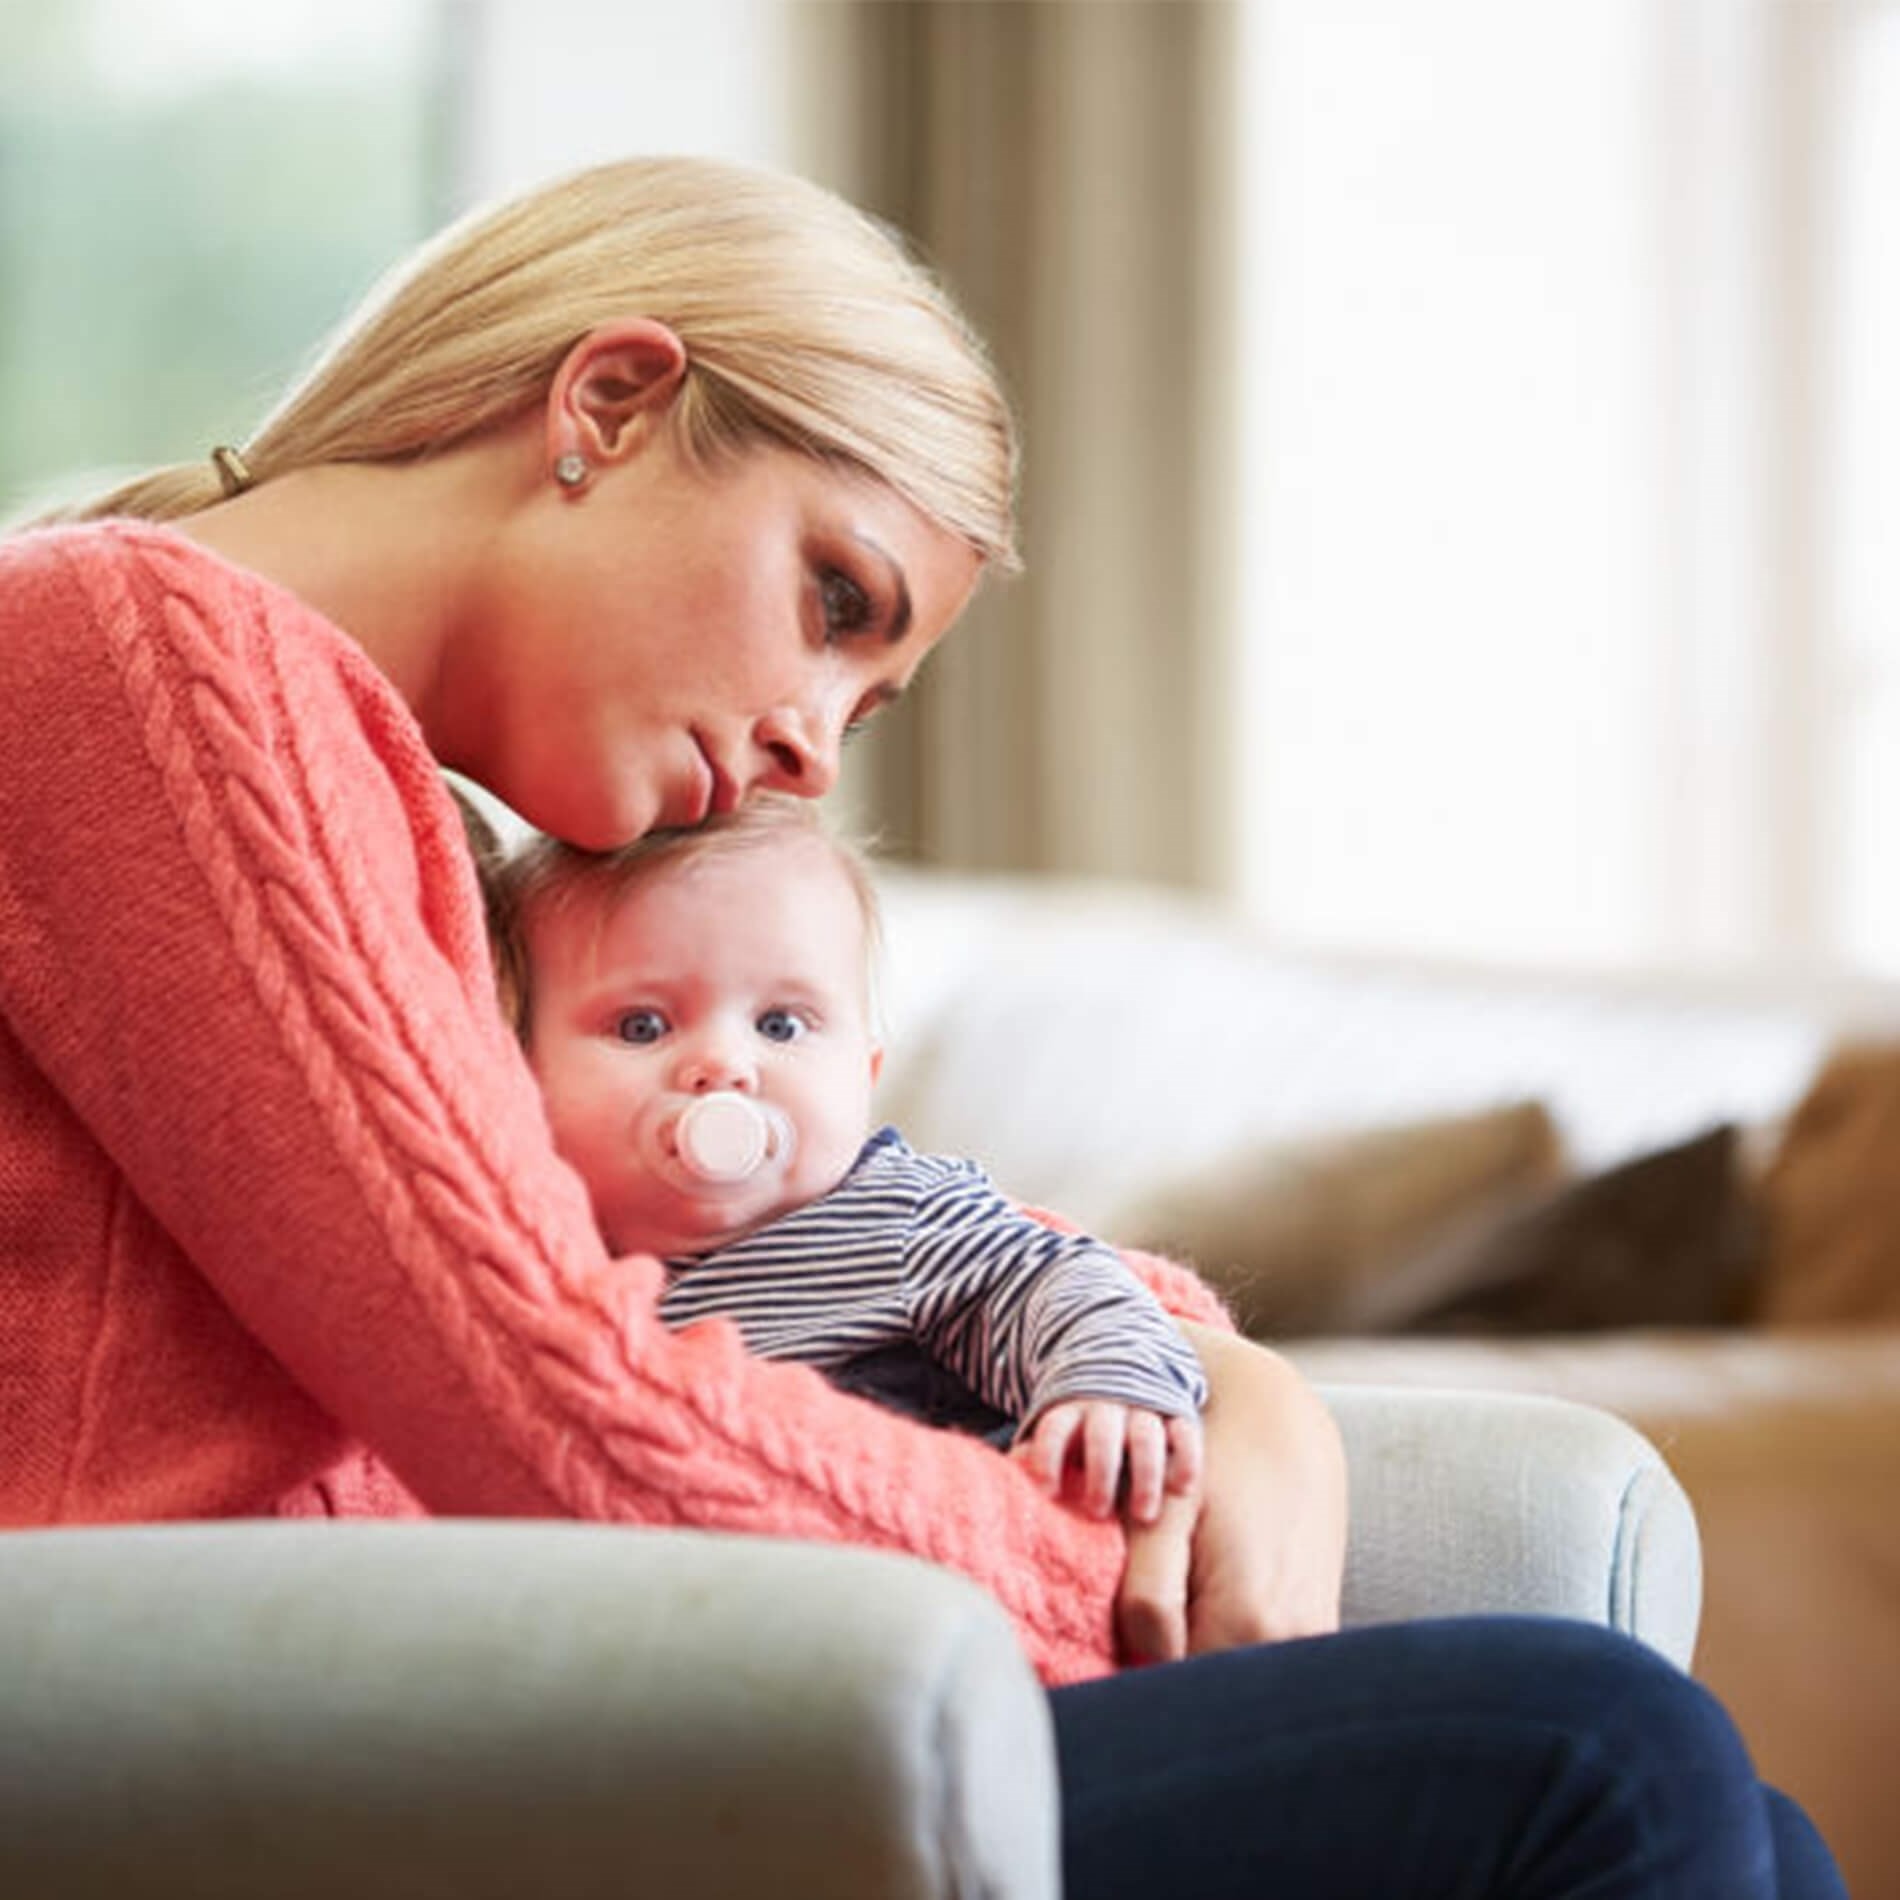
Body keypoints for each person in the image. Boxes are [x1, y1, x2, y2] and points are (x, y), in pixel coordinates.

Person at [0, 153, 1842, 1897]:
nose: (813, 741)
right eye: (834, 599)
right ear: (613, 403)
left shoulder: (388, 810)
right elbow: (561, 1410)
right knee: (1598, 1757)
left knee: (1733, 1817)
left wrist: (1211, 1373)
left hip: (469, 1721)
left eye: (866, 696)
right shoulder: (135, 660)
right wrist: (1115, 1560)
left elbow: (763, 1236)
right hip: (256, 1766)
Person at [492, 792, 1206, 1526]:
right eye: (643, 1025)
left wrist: (1104, 1385)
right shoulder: (541, 1260)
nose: (723, 1064)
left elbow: (1058, 1279)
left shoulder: (898, 1215)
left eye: (780, 1024)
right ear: (520, 1067)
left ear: (863, 1076)